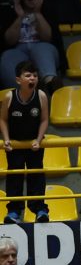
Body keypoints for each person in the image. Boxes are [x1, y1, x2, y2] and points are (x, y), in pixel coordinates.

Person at [1, 61, 49, 223]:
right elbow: (2, 119)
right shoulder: (9, 97)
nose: (32, 78)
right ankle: (14, 212)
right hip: (15, 145)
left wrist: (38, 139)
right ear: (18, 80)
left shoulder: (41, 96)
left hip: (34, 145)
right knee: (14, 177)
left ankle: (40, 210)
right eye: (28, 75)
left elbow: (44, 120)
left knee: (37, 176)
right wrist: (6, 139)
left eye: (35, 75)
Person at [1, 0, 61, 91]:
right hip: (19, 50)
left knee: (41, 49)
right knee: (8, 55)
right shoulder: (11, 13)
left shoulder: (47, 11)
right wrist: (20, 17)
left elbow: (47, 38)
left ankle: (50, 83)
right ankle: (20, 90)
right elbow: (9, 41)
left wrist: (37, 13)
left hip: (43, 48)